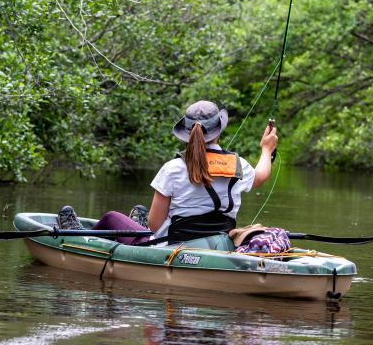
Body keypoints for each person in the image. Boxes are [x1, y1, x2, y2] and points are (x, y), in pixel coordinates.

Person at [59, 100, 277, 246]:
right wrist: (266, 149)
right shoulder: (238, 165)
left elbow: (153, 226)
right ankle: (135, 219)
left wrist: (146, 225)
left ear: (187, 132)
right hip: (217, 244)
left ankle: (80, 238)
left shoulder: (173, 168)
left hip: (170, 248)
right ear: (219, 130)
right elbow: (261, 176)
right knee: (138, 214)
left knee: (111, 218)